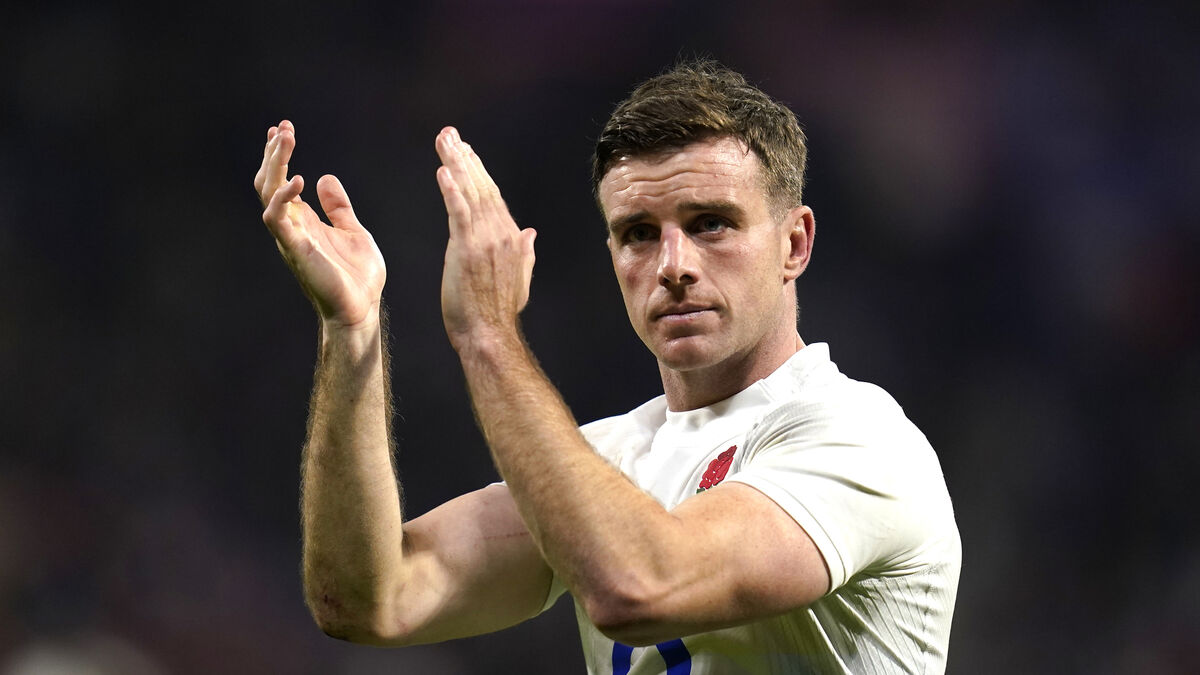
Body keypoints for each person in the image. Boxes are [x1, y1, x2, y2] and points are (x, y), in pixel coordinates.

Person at [253, 61, 961, 674]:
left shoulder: (860, 440)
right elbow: (371, 599)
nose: (674, 265)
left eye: (711, 223)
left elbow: (639, 586)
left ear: (794, 244)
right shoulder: (609, 459)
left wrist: (489, 333)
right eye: (639, 234)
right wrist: (351, 331)